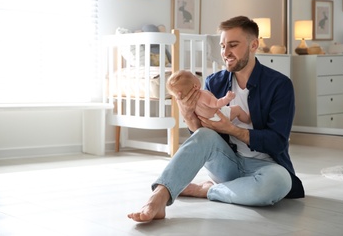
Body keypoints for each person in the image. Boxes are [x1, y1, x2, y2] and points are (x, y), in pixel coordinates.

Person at [128, 16, 305, 222]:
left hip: (266, 167)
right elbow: (204, 137)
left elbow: (277, 141)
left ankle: (206, 191)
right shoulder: (214, 82)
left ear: (254, 45)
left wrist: (232, 129)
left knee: (281, 182)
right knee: (203, 134)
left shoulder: (279, 85)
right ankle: (159, 197)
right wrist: (187, 115)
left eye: (233, 45)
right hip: (226, 164)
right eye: (222, 46)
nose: (225, 52)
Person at [166, 69, 250, 123]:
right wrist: (227, 98)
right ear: (195, 86)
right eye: (193, 76)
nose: (196, 76)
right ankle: (248, 119)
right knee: (237, 109)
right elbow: (217, 104)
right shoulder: (203, 95)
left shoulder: (190, 102)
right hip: (218, 117)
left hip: (206, 122)